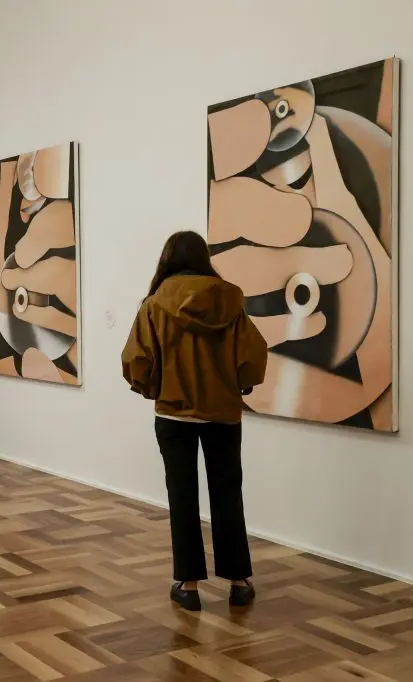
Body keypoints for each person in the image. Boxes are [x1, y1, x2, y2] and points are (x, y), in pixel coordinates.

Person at [121, 230, 268, 612]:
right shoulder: (230, 301)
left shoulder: (155, 304)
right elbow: (252, 354)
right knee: (228, 494)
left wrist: (152, 387)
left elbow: (137, 359)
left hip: (174, 413)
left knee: (182, 495)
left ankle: (187, 586)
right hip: (223, 414)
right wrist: (241, 383)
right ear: (204, 258)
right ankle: (239, 582)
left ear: (168, 259)